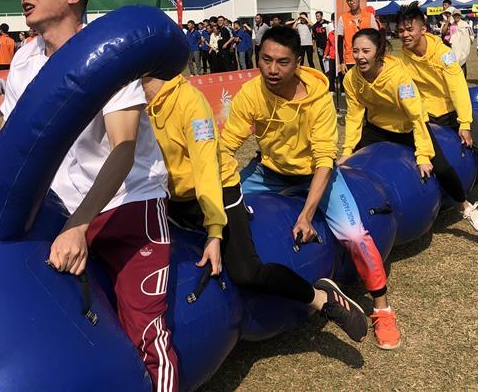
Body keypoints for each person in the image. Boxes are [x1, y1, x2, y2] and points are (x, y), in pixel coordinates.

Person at [1, 0, 179, 389]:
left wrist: (79, 225)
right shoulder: (24, 59)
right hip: (58, 207)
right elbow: (12, 141)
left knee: (146, 332)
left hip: (127, 204)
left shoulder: (109, 55)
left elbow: (124, 149)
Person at [143, 74, 367, 343]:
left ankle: (321, 298)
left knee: (246, 272)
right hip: (168, 199)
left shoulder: (188, 101)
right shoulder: (126, 103)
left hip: (217, 192)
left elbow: (206, 169)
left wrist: (214, 231)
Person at [219, 26, 401, 349]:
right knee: (223, 205)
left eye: (283, 62)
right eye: (266, 59)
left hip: (315, 174)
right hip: (269, 172)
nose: (272, 70)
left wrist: (306, 215)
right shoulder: (251, 93)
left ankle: (382, 309)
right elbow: (227, 144)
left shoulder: (318, 99)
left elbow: (323, 161)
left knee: (354, 234)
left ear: (298, 63)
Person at [340, 29, 478, 234]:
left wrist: (423, 155)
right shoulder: (351, 78)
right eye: (355, 51)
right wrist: (348, 150)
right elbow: (354, 116)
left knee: (441, 167)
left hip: (407, 127)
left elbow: (416, 116)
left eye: (366, 51)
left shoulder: (399, 77)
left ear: (379, 51)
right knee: (347, 166)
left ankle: (464, 206)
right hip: (377, 128)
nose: (360, 56)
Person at [396, 3, 478, 216]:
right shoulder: (402, 60)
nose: (405, 35)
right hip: (427, 116)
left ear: (423, 29)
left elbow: (458, 88)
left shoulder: (443, 54)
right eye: (401, 30)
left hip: (451, 112)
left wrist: (464, 123)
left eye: (409, 29)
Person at [337, 0, 379, 75]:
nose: (351, 2)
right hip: (350, 60)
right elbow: (340, 41)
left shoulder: (369, 16)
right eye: (348, 0)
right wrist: (342, 62)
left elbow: (377, 38)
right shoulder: (343, 18)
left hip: (368, 58)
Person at [448, 9, 474, 78]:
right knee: (455, 63)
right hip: (455, 47)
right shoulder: (452, 25)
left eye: (458, 15)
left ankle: (463, 79)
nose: (456, 17)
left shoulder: (465, 25)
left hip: (463, 46)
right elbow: (451, 36)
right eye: (455, 15)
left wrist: (468, 42)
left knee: (463, 61)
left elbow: (470, 35)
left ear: (460, 16)